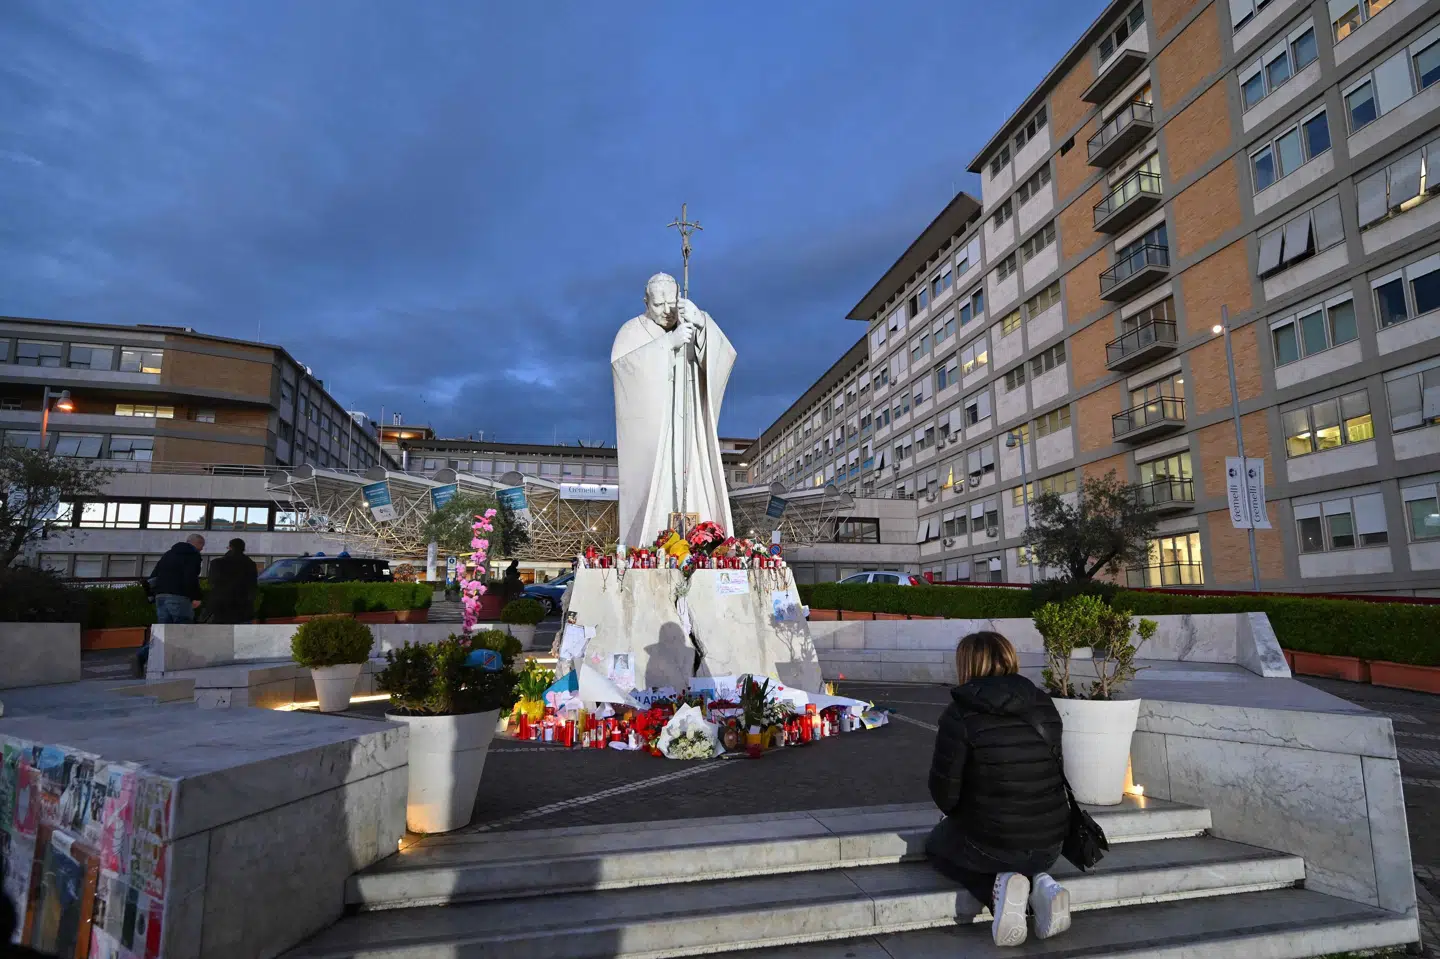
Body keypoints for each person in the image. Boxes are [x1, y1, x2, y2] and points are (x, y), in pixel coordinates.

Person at [925, 631, 1072, 947]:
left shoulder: (960, 713)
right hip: (1050, 844)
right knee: (1013, 844)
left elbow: (945, 794)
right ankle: (1041, 885)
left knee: (937, 846)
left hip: (992, 844)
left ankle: (1000, 891)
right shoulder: (1043, 704)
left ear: (966, 664)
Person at [138, 534, 204, 676]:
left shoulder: (168, 554)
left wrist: (152, 595)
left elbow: (154, 576)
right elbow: (191, 577)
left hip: (160, 596)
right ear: (198, 543)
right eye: (202, 546)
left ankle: (143, 655)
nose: (202, 549)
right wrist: (196, 597)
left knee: (164, 632)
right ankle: (182, 665)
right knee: (183, 630)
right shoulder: (193, 555)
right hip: (179, 596)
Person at [207, 538, 258, 624]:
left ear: (230, 547)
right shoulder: (250, 564)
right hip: (243, 605)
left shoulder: (217, 563)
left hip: (221, 604)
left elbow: (212, 582)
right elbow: (253, 585)